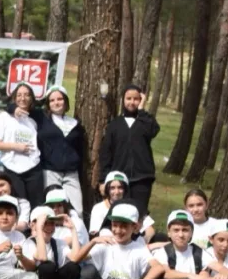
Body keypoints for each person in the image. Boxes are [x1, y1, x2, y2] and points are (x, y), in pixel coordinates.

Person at [68, 202, 154, 279]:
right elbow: (75, 259)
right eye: (115, 225)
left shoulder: (139, 248)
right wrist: (93, 242)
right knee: (87, 271)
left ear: (134, 227)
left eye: (123, 226)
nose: (118, 230)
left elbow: (158, 268)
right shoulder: (106, 244)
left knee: (151, 274)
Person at [98, 84, 160, 217]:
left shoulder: (145, 122)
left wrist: (142, 109)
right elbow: (106, 153)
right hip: (119, 179)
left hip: (142, 178)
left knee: (139, 215)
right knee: (118, 214)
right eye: (128, 98)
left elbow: (153, 130)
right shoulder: (115, 124)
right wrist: (103, 179)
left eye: (136, 99)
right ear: (123, 100)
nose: (132, 102)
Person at [0, 83, 44, 207]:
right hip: (12, 168)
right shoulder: (4, 117)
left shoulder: (35, 118)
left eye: (27, 95)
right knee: (18, 206)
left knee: (37, 207)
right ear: (14, 98)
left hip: (34, 168)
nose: (23, 98)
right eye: (19, 95)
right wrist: (15, 146)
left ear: (31, 98)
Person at [36, 86, 85, 211]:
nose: (56, 103)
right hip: (50, 172)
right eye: (52, 100)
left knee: (77, 210)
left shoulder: (75, 124)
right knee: (52, 208)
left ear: (66, 101)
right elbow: (21, 108)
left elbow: (80, 150)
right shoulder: (42, 119)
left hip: (71, 173)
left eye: (60, 99)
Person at [19, 206, 81, 279]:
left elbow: (75, 258)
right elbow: (42, 257)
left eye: (51, 223)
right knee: (47, 266)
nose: (49, 227)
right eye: (44, 223)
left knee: (74, 267)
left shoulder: (58, 242)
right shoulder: (29, 243)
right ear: (32, 225)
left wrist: (73, 229)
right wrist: (39, 229)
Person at [89, 172, 157, 241]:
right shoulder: (98, 208)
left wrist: (140, 243)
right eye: (112, 188)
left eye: (120, 188)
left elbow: (150, 231)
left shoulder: (134, 206)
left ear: (125, 190)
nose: (116, 192)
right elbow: (95, 234)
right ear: (107, 189)